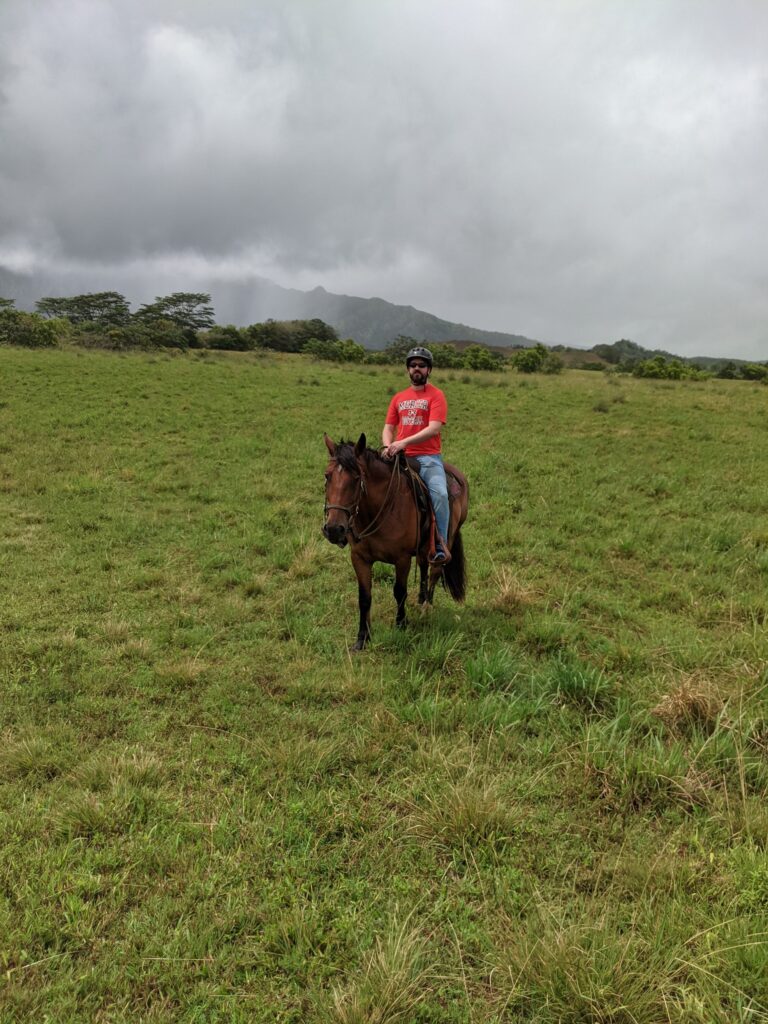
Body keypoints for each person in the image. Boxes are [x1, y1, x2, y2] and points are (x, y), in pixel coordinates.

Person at [382, 346, 451, 564]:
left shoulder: (436, 395)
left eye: (421, 365)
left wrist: (403, 442)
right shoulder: (399, 397)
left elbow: (434, 428)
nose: (417, 369)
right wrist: (388, 446)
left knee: (440, 493)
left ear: (429, 370)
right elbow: (388, 427)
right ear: (408, 370)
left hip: (428, 457)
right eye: (413, 365)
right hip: (399, 455)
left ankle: (440, 543)